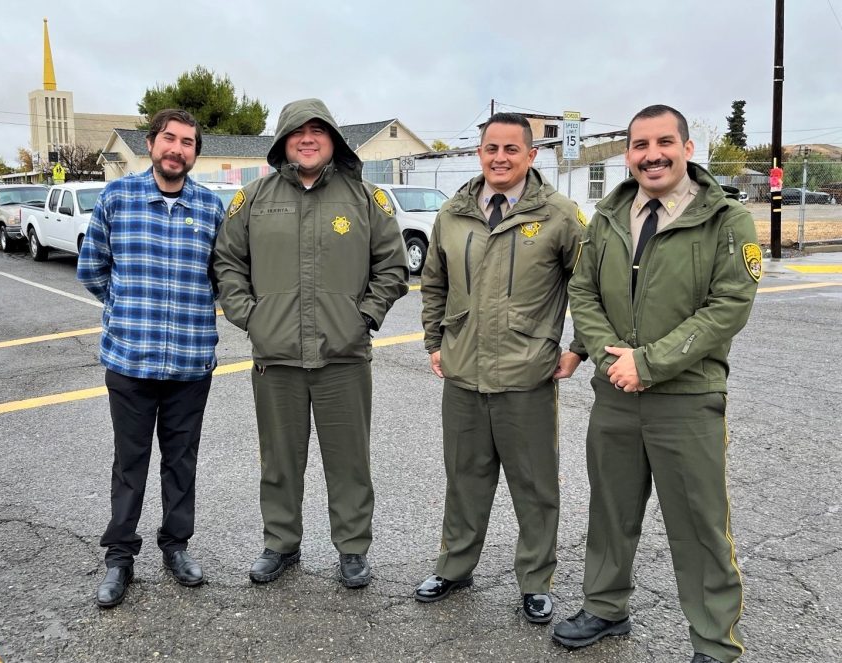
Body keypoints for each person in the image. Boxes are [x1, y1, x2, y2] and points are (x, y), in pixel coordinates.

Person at [554, 105, 759, 663]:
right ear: (628, 154)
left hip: (687, 398)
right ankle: (605, 608)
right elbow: (583, 292)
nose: (652, 155)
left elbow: (727, 307)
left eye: (664, 142)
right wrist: (608, 358)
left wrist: (649, 363)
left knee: (698, 524)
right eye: (640, 145)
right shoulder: (608, 216)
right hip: (615, 394)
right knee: (611, 510)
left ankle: (714, 642)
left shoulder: (726, 220)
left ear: (687, 148)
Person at [213, 98, 408, 588]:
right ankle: (281, 543)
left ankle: (352, 548)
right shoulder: (253, 199)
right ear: (283, 141)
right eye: (297, 131)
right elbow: (228, 263)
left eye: (317, 131)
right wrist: (251, 318)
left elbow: (392, 266)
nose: (307, 139)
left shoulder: (365, 198)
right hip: (275, 357)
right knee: (279, 460)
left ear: (333, 140)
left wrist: (365, 317)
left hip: (344, 356)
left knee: (350, 461)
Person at [415, 112, 587, 624]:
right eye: (491, 148)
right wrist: (434, 341)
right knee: (464, 479)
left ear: (531, 155)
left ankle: (535, 581)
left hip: (526, 375)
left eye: (512, 149)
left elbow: (591, 285)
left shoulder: (559, 216)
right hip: (463, 373)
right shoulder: (453, 214)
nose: (500, 157)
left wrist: (579, 347)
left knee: (534, 487)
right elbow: (434, 283)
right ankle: (454, 566)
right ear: (479, 153)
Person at [77, 108, 225, 608]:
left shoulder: (210, 208)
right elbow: (92, 269)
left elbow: (221, 278)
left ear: (195, 153)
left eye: (188, 142)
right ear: (151, 143)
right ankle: (119, 557)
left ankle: (175, 547)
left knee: (181, 462)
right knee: (130, 462)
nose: (177, 149)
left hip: (190, 361)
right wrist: (124, 310)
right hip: (130, 361)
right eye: (169, 138)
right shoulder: (117, 198)